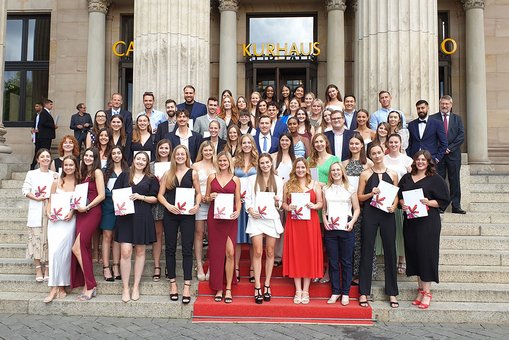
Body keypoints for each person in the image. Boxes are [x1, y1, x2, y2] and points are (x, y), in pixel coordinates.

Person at [399, 150, 450, 309]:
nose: (420, 162)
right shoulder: (406, 178)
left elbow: (443, 201)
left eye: (423, 160)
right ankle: (420, 290)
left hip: (428, 223)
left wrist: (428, 202)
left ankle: (427, 293)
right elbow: (399, 196)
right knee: (415, 255)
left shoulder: (435, 179)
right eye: (418, 159)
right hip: (411, 222)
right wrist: (403, 204)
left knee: (426, 255)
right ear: (414, 161)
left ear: (428, 162)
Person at [357, 144, 399, 308]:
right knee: (367, 250)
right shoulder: (365, 174)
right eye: (373, 153)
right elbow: (360, 197)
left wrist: (394, 206)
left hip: (387, 215)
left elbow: (396, 195)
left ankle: (392, 292)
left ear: (384, 153)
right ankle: (364, 292)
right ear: (370, 156)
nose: (376, 155)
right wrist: (371, 193)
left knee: (390, 251)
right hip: (370, 214)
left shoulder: (393, 173)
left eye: (379, 152)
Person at [158, 146, 201, 304]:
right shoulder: (167, 174)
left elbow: (198, 193)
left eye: (183, 154)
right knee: (170, 248)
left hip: (187, 215)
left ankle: (187, 286)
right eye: (178, 154)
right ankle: (173, 284)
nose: (180, 156)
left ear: (187, 156)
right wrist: (168, 206)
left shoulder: (193, 173)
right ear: (174, 156)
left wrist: (197, 205)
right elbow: (160, 195)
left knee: (187, 249)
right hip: (171, 215)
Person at [114, 151, 159, 302]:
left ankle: (136, 286)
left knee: (140, 251)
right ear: (133, 160)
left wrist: (141, 197)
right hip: (125, 217)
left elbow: (155, 198)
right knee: (125, 252)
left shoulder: (151, 179)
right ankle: (125, 287)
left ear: (147, 163)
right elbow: (115, 193)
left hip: (143, 216)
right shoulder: (124, 176)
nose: (140, 161)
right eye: (138, 159)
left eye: (143, 160)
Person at [282, 158, 323, 304]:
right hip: (294, 224)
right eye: (297, 167)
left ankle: (306, 290)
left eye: (302, 167)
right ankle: (298, 290)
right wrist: (289, 207)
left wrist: (314, 205)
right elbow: (283, 204)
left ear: (307, 169)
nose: (300, 170)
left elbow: (320, 203)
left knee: (308, 254)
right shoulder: (288, 184)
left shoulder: (315, 184)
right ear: (294, 169)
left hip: (310, 224)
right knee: (296, 254)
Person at [245, 154, 284, 304]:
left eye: (267, 162)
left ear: (271, 163)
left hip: (271, 219)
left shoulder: (278, 180)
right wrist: (250, 209)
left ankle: (267, 284)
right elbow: (247, 198)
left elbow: (280, 204)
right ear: (259, 165)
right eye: (262, 163)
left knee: (270, 251)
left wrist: (277, 202)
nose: (265, 165)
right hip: (256, 219)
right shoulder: (252, 179)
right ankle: (257, 287)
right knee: (257, 251)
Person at [205, 151, 241, 303]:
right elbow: (206, 198)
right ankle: (218, 287)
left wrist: (238, 211)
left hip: (230, 218)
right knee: (217, 252)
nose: (222, 163)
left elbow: (238, 200)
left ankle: (228, 288)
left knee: (230, 252)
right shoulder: (211, 177)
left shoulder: (236, 179)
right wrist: (210, 197)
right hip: (215, 218)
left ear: (229, 162)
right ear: (217, 162)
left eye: (225, 161)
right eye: (220, 161)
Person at [322, 162, 360, 305]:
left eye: (338, 170)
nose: (336, 172)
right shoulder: (326, 189)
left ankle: (345, 292)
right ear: (330, 173)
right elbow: (324, 209)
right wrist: (325, 220)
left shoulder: (350, 188)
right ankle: (335, 291)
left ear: (342, 172)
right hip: (331, 230)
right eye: (333, 170)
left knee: (346, 261)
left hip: (346, 228)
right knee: (333, 261)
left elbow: (356, 209)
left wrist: (352, 222)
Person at [71, 147, 105, 301]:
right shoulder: (83, 174)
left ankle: (90, 285)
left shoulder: (97, 172)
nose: (88, 158)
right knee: (82, 248)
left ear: (96, 158)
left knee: (77, 247)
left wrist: (88, 206)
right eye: (86, 155)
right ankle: (89, 284)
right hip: (81, 213)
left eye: (91, 156)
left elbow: (102, 195)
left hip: (92, 211)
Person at [44, 155, 79, 303]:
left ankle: (63, 286)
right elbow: (49, 200)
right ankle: (53, 288)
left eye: (71, 165)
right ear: (62, 166)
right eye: (66, 165)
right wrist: (48, 212)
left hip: (68, 221)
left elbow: (78, 202)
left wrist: (72, 212)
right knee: (54, 253)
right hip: (54, 222)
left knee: (64, 254)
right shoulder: (56, 181)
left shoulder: (79, 183)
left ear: (75, 166)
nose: (68, 167)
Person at [341, 133, 375, 285]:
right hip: (347, 207)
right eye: (352, 144)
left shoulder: (369, 164)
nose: (354, 146)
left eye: (357, 144)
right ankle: (351, 273)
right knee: (351, 241)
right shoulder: (344, 164)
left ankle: (365, 273)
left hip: (364, 206)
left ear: (362, 145)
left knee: (364, 240)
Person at [22, 148, 56, 282]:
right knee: (36, 239)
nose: (45, 159)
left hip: (50, 208)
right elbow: (25, 190)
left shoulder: (54, 175)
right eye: (42, 157)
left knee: (48, 238)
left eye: (48, 157)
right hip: (36, 207)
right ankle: (38, 268)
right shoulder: (32, 174)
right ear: (38, 159)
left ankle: (47, 267)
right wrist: (36, 198)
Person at [430, 95, 466, 214]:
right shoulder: (432, 118)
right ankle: (440, 206)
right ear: (439, 104)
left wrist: (449, 148)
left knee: (454, 180)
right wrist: (441, 149)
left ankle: (456, 205)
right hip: (438, 155)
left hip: (453, 155)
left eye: (447, 104)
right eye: (442, 104)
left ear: (451, 105)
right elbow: (431, 136)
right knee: (439, 180)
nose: (444, 106)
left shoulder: (457, 119)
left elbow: (461, 136)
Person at [384, 134, 413, 274]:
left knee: (402, 230)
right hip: (387, 198)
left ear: (401, 143)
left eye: (396, 142)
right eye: (391, 142)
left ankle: (402, 259)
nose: (394, 144)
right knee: (390, 231)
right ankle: (390, 259)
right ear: (387, 144)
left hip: (403, 198)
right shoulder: (383, 159)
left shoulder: (408, 160)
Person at [100, 146, 128, 282]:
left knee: (118, 236)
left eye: (119, 153)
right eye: (114, 153)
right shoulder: (105, 171)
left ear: (122, 155)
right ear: (110, 156)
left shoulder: (128, 171)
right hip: (108, 205)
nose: (116, 155)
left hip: (123, 207)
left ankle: (116, 266)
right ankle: (106, 267)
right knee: (107, 235)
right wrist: (113, 195)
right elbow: (102, 188)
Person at [233, 134, 259, 282]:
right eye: (244, 142)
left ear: (253, 144)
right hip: (237, 202)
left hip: (252, 203)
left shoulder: (257, 161)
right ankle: (235, 267)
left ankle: (252, 269)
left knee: (251, 237)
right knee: (237, 237)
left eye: (249, 142)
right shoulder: (235, 161)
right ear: (240, 144)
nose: (246, 145)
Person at [192, 141, 216, 280]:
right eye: (205, 150)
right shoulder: (195, 166)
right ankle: (200, 265)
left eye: (210, 150)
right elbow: (192, 184)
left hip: (214, 203)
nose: (208, 153)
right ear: (202, 151)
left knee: (213, 235)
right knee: (199, 233)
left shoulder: (217, 165)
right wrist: (200, 197)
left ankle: (212, 265)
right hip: (200, 202)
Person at [271, 133, 296, 266]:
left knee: (290, 226)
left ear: (291, 142)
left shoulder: (295, 158)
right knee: (278, 225)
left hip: (293, 195)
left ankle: (289, 254)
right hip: (278, 195)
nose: (284, 142)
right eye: (282, 140)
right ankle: (277, 256)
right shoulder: (274, 157)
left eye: (287, 140)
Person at [150, 139, 172, 281]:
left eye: (166, 148)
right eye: (161, 148)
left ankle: (169, 266)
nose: (163, 150)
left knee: (170, 236)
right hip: (156, 203)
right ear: (157, 149)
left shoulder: (175, 165)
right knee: (158, 235)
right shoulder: (151, 166)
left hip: (172, 201)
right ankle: (157, 266)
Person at [31, 100, 56, 170]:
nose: (52, 106)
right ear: (46, 105)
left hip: (45, 136)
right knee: (43, 151)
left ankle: (35, 165)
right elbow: (43, 123)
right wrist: (52, 125)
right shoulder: (44, 113)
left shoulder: (45, 113)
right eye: (50, 104)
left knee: (41, 151)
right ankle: (35, 165)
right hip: (45, 136)